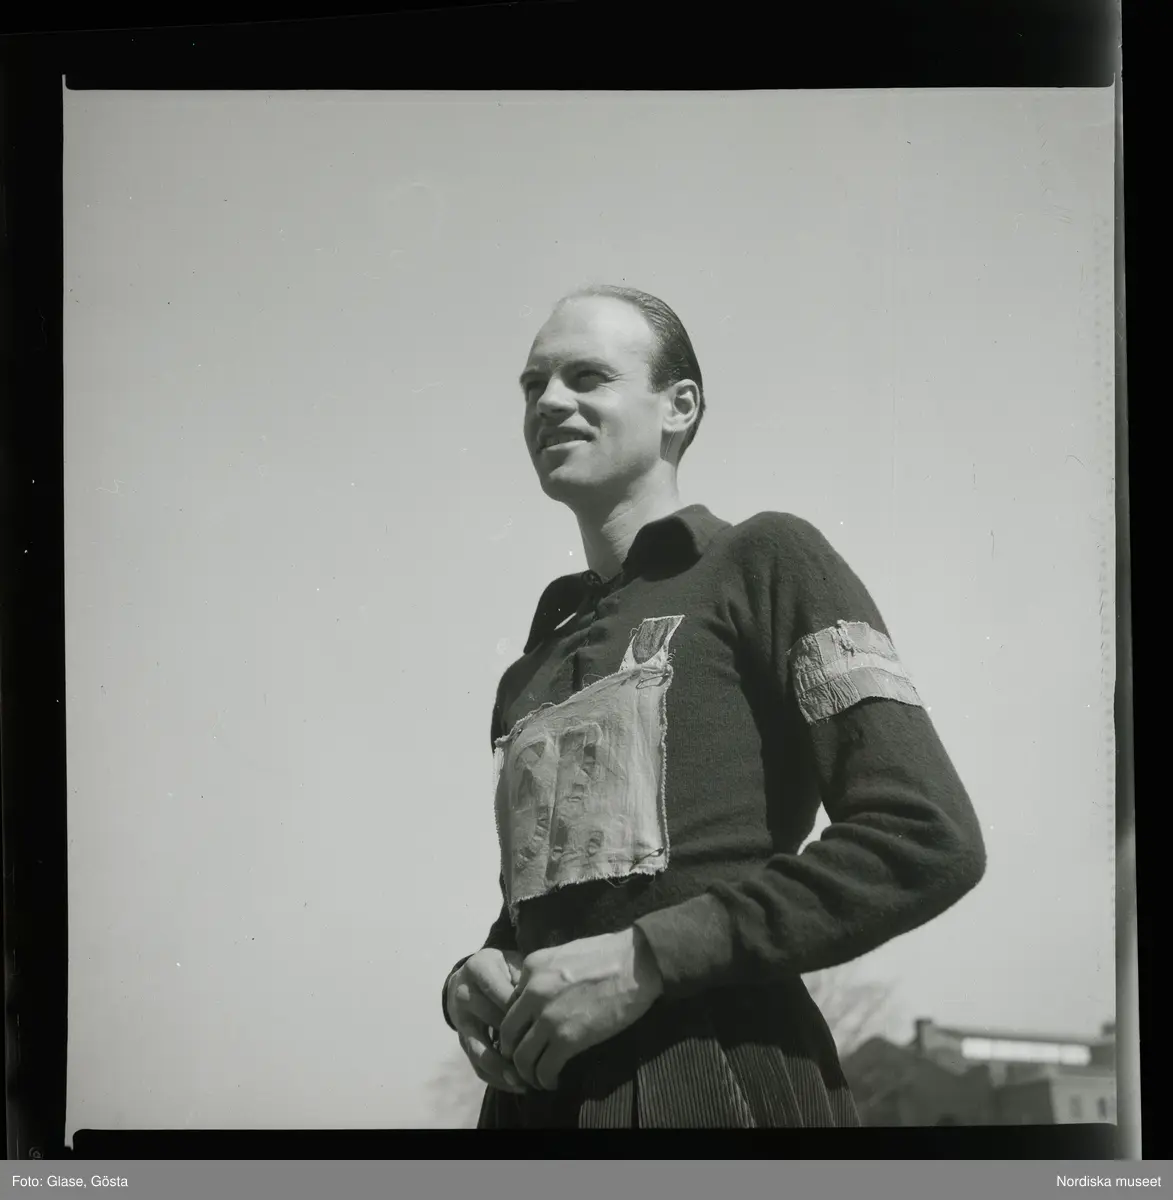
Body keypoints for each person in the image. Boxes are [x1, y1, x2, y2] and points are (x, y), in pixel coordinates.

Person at [441, 284, 986, 1128]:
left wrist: (649, 958)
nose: (548, 401)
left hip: (717, 1079)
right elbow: (579, 904)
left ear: (679, 405)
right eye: (532, 384)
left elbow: (925, 835)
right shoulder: (530, 667)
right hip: (532, 1100)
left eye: (586, 377)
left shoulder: (764, 559)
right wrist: (480, 971)